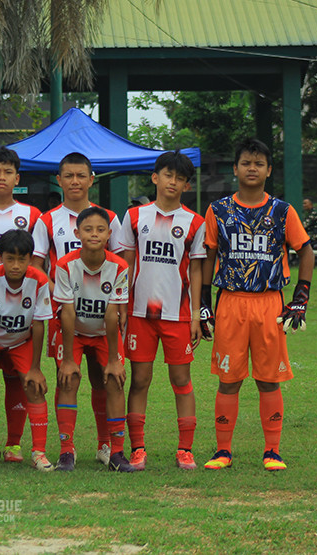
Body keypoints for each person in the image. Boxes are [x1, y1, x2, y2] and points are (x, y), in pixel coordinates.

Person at [200, 138, 314, 472]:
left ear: (268, 170)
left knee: (269, 379)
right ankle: (223, 451)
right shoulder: (219, 210)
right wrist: (204, 302)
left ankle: (272, 451)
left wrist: (301, 298)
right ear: (235, 169)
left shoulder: (282, 211)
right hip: (231, 302)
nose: (252, 168)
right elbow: (208, 254)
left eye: (259, 163)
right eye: (246, 163)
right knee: (228, 379)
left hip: (269, 304)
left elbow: (305, 250)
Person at [115, 150, 206, 471]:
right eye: (169, 175)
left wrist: (196, 315)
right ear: (155, 178)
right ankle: (138, 449)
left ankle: (185, 450)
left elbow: (196, 271)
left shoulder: (195, 222)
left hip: (178, 315)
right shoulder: (135, 217)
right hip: (140, 313)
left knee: (182, 380)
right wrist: (122, 304)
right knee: (139, 380)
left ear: (186, 185)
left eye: (180, 178)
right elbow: (124, 263)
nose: (174, 182)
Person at [32, 151, 122, 465]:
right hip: (66, 314)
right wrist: (61, 295)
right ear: (59, 180)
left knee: (104, 379)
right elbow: (38, 266)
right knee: (67, 378)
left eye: (80, 175)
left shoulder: (110, 217)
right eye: (68, 176)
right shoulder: (47, 220)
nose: (74, 181)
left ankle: (105, 446)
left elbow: (123, 263)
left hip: (103, 315)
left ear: (91, 179)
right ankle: (66, 449)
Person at [0, 147, 49, 464]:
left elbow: (38, 262)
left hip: (21, 315)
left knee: (22, 381)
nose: (1, 177)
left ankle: (18, 446)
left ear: (17, 178)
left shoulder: (32, 215)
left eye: (8, 172)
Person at [53, 207, 135, 472]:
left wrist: (113, 360)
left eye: (101, 229)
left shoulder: (119, 266)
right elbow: (67, 312)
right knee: (68, 378)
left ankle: (115, 452)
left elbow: (113, 314)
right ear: (77, 233)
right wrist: (67, 359)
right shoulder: (65, 264)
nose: (94, 234)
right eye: (88, 229)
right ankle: (67, 451)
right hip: (73, 332)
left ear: (110, 234)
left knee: (114, 380)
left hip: (104, 333)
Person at [0, 229, 53, 472]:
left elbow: (39, 325)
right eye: (10, 259)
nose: (16, 265)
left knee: (33, 385)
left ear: (30, 258)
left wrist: (35, 368)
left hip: (21, 341)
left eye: (22, 259)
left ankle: (37, 452)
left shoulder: (39, 280)